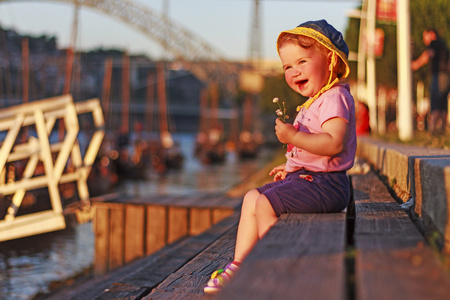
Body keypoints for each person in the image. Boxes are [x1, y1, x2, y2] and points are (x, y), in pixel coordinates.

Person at [203, 19, 356, 294]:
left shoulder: (335, 98)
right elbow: (311, 150)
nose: (294, 71)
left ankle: (282, 263)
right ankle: (240, 264)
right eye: (287, 66)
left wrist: (292, 137)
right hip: (311, 178)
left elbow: (333, 144)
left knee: (264, 204)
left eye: (302, 62)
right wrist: (290, 166)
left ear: (331, 61)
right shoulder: (316, 101)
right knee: (251, 197)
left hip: (328, 184)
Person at [412, 28, 450, 135]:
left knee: (435, 102)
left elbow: (428, 55)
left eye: (425, 36)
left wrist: (416, 64)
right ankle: (442, 130)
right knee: (442, 104)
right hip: (447, 77)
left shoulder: (434, 44)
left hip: (439, 76)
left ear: (432, 34)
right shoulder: (443, 44)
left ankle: (433, 131)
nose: (424, 39)